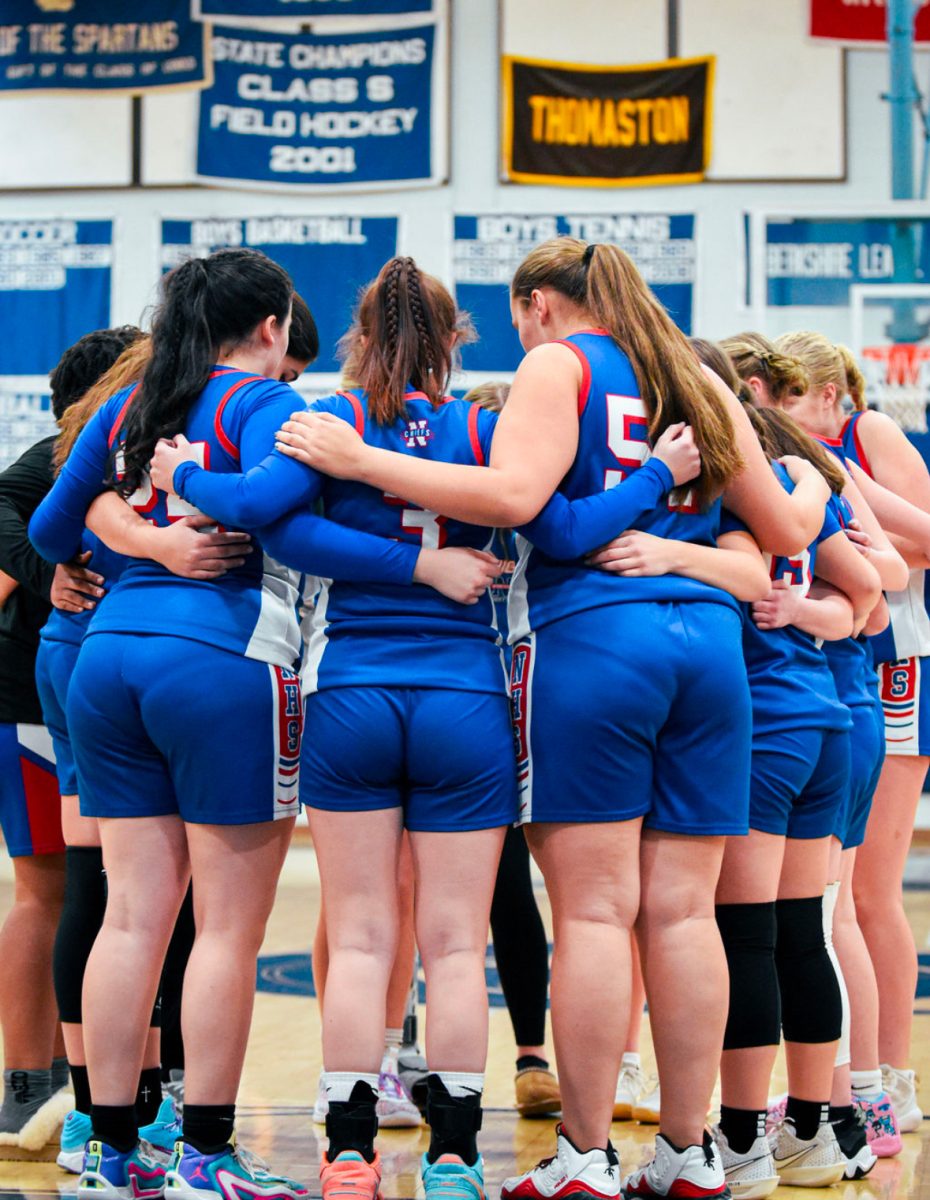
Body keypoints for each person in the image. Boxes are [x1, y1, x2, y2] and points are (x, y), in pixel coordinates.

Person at [272, 238, 833, 1199]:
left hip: (593, 644)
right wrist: (682, 548)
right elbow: (788, 534)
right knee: (689, 912)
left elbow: (527, 505)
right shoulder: (692, 374)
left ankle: (583, 1159)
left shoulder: (555, 363)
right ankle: (693, 1154)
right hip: (710, 650)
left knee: (595, 913)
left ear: (538, 305)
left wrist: (364, 460)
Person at [27, 249, 399, 1200]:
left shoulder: (130, 402)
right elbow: (277, 511)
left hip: (107, 659)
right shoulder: (270, 405)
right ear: (273, 326)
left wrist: (144, 537)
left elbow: (46, 531)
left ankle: (108, 1156)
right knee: (227, 931)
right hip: (223, 660)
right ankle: (204, 1156)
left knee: (129, 916)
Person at [710, 405, 884, 1195]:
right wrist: (812, 612)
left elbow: (873, 595)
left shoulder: (728, 492)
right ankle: (810, 1130)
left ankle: (742, 1140)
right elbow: (871, 596)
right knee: (800, 932)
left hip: (764, 726)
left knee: (746, 937)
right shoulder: (793, 485)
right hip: (825, 721)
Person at [774, 330, 930, 1135]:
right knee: (841, 898)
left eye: (789, 392)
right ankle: (852, 1080)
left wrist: (849, 534)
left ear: (830, 396)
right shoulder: (795, 456)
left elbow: (928, 538)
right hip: (845, 660)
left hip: (897, 660)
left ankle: (889, 1081)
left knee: (870, 892)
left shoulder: (864, 435)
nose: (775, 405)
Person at [0, 325, 142, 1151]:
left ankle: (77, 1075)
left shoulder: (109, 462)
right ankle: (25, 1081)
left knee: (102, 892)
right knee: (45, 890)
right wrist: (41, 568)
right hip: (27, 700)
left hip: (87, 694)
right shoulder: (48, 463)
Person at [465, 381, 560, 1121]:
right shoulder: (449, 501)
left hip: (518, 699)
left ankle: (536, 1054)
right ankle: (396, 1058)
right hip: (469, 698)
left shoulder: (535, 507)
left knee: (515, 887)